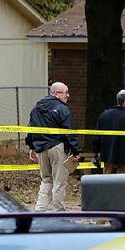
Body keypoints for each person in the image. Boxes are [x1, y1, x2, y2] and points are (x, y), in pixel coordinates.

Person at [25, 82, 81, 211]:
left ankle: (40, 209)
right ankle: (58, 212)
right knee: (59, 181)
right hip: (57, 148)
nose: (68, 95)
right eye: (65, 92)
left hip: (41, 149)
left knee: (46, 179)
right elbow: (69, 131)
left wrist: (31, 147)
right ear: (56, 93)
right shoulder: (62, 109)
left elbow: (31, 128)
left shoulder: (36, 108)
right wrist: (75, 151)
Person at [92, 89, 125, 174]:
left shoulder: (104, 115)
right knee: (123, 185)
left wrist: (95, 153)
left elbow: (96, 137)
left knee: (108, 184)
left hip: (108, 158)